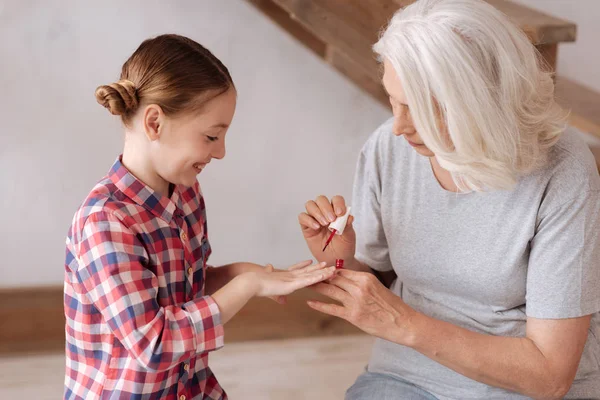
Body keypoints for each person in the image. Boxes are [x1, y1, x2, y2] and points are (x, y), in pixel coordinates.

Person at [298, 0, 600, 398]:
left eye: (419, 109)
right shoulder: (388, 149)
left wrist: (404, 323)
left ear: (481, 103)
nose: (399, 127)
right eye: (394, 100)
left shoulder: (563, 169)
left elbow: (549, 374)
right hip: (404, 376)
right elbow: (381, 286)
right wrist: (339, 260)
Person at [64, 34, 335, 400]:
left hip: (188, 389)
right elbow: (155, 343)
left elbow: (182, 293)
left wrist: (246, 273)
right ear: (155, 123)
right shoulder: (105, 222)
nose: (221, 152)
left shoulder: (186, 194)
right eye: (211, 136)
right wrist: (247, 287)